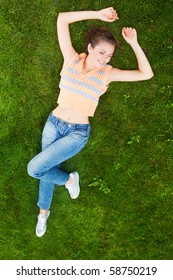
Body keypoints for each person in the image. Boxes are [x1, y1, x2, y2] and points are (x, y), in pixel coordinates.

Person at [27, 7, 154, 237]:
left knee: (35, 168)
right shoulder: (72, 59)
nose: (105, 59)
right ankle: (45, 210)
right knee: (45, 168)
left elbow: (146, 74)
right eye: (101, 53)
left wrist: (134, 43)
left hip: (76, 132)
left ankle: (66, 181)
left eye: (109, 56)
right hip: (53, 124)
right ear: (89, 48)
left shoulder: (107, 74)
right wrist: (97, 14)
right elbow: (62, 19)